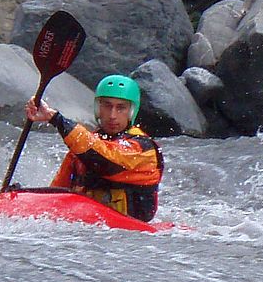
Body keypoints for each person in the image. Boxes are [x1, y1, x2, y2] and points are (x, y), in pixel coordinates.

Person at [21, 75, 163, 221]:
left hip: (130, 235)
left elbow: (105, 160)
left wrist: (56, 119)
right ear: (98, 108)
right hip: (90, 227)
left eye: (121, 108)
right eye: (107, 106)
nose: (112, 115)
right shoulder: (83, 147)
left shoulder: (143, 148)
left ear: (131, 111)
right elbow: (57, 194)